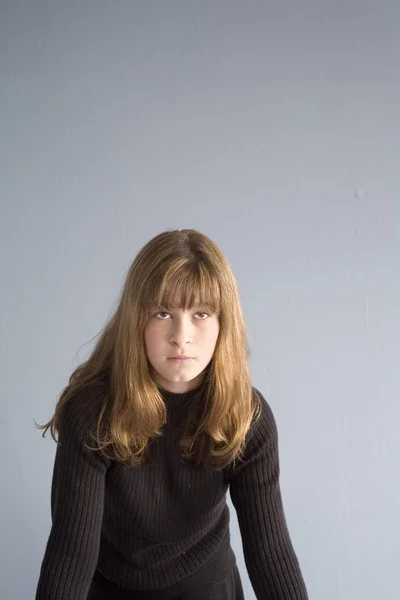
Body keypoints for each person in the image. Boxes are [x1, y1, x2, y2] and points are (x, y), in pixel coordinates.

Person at [35, 228, 309, 600]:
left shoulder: (248, 417)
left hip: (207, 583)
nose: (182, 335)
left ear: (222, 324)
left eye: (201, 313)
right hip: (110, 585)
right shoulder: (92, 412)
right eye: (163, 313)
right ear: (137, 321)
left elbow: (270, 550)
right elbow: (71, 552)